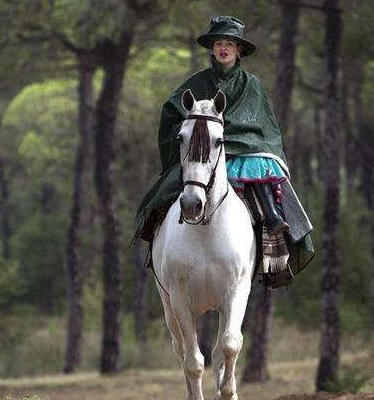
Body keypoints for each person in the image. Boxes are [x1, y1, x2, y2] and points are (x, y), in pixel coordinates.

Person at [134, 15, 314, 287]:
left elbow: (265, 127)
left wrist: (253, 144)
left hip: (245, 149)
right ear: (212, 48)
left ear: (239, 49)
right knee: (166, 190)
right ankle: (157, 236)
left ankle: (275, 245)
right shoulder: (197, 82)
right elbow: (171, 112)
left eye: (229, 43)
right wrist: (189, 141)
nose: (223, 48)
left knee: (264, 168)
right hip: (203, 153)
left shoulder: (251, 84)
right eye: (219, 42)